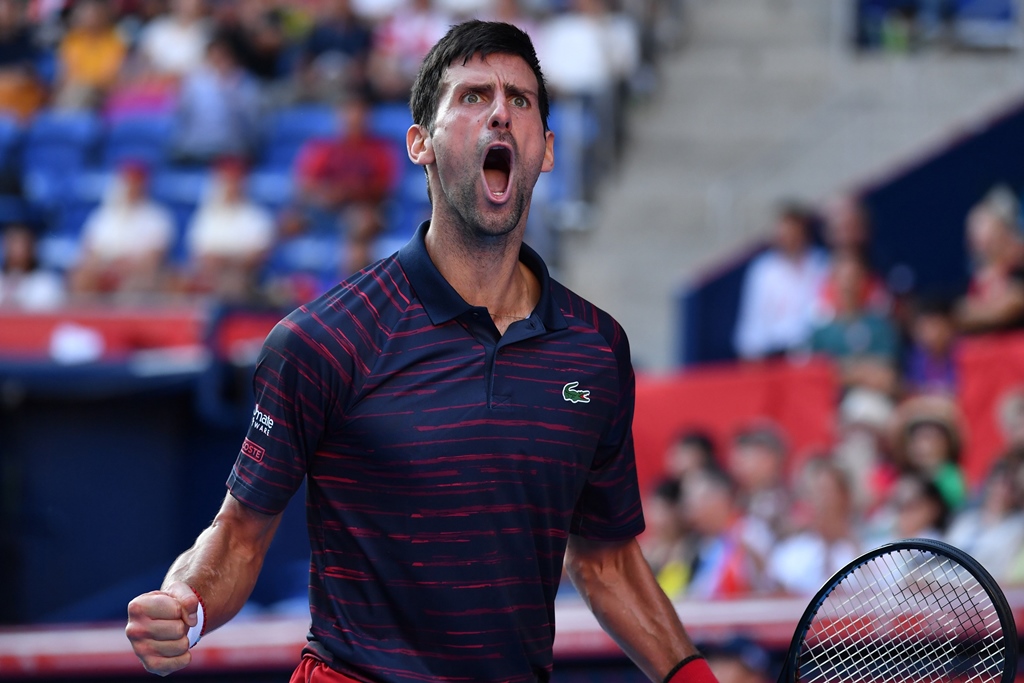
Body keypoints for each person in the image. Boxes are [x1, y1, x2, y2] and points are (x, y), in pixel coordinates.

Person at [125, 20, 717, 683]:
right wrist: (185, 603)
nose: (499, 111)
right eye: (472, 96)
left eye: (520, 100)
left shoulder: (595, 349)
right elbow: (238, 532)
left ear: (546, 149)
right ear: (420, 144)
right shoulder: (325, 338)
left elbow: (604, 559)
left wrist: (693, 676)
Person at [292, 90, 400, 275]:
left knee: (360, 219)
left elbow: (384, 188)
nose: (353, 118)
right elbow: (304, 186)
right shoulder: (322, 147)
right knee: (289, 222)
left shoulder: (381, 149)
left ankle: (351, 281)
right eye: (348, 112)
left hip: (369, 210)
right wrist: (328, 194)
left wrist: (349, 191)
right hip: (325, 211)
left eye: (358, 112)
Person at [732, 201, 829, 360]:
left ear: (803, 232)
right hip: (774, 356)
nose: (789, 239)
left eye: (793, 232)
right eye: (784, 234)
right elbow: (752, 326)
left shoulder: (822, 264)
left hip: (815, 353)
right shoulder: (763, 271)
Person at [69, 160, 175, 296]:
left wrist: (124, 267)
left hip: (135, 273)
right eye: (128, 182)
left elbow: (154, 258)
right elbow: (89, 250)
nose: (132, 187)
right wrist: (104, 266)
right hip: (103, 269)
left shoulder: (157, 217)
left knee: (137, 285)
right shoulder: (103, 215)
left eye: (136, 183)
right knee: (81, 278)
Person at [180, 157, 275, 301]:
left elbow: (256, 257)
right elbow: (197, 253)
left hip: (241, 276)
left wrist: (225, 260)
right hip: (207, 273)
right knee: (179, 280)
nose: (230, 186)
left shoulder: (257, 217)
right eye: (226, 181)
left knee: (232, 283)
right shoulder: (207, 215)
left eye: (234, 181)